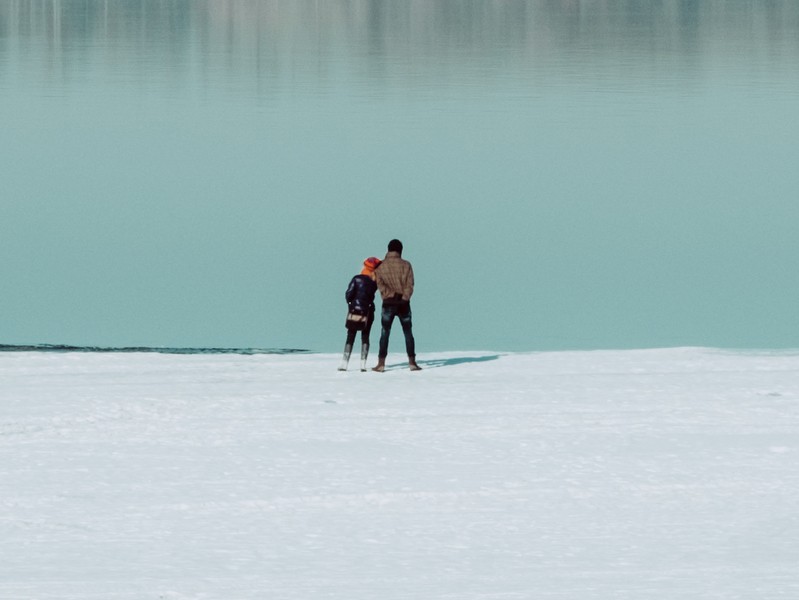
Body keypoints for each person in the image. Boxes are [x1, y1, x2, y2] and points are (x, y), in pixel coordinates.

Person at [372, 239, 421, 372]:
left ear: (388, 249)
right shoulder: (407, 265)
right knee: (408, 332)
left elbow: (380, 286)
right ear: (400, 250)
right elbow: (410, 285)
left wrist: (390, 295)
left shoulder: (380, 267)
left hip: (388, 304)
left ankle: (381, 364)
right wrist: (404, 298)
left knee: (384, 333)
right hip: (404, 304)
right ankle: (412, 362)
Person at [339, 257, 382, 371]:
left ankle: (344, 363)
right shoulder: (375, 282)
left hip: (354, 311)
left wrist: (351, 303)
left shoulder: (356, 279)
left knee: (350, 336)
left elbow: (348, 294)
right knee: (365, 336)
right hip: (368, 311)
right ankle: (363, 364)